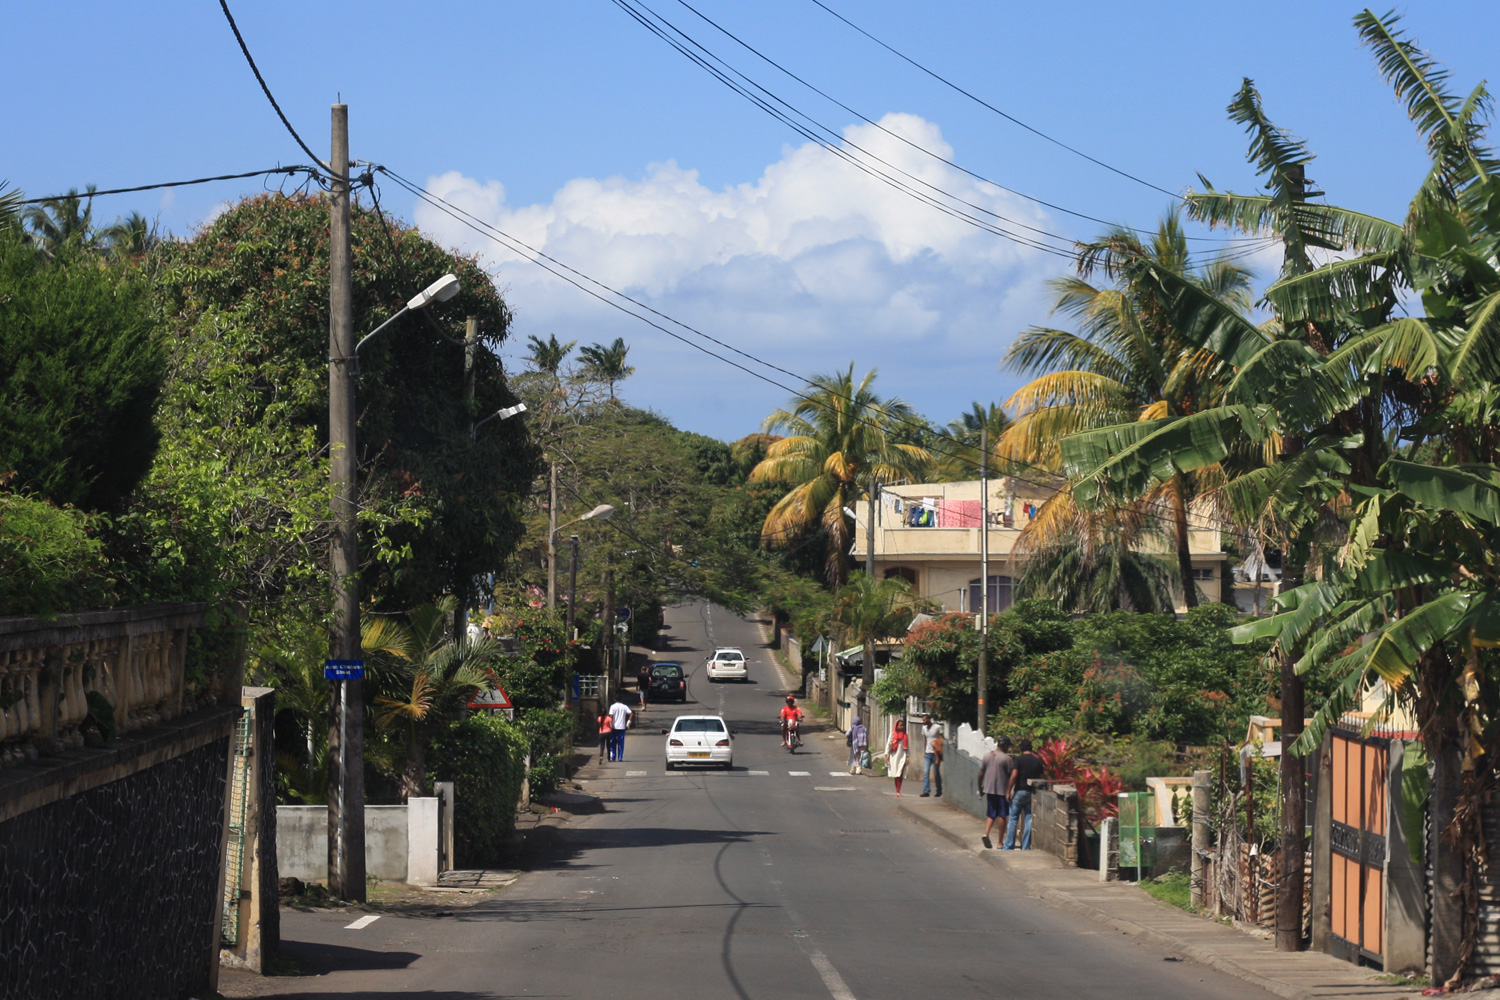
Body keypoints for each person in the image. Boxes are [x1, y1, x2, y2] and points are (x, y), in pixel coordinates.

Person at [1004, 739, 1045, 850]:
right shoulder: (1037, 761)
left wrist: (1008, 791)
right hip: (1032, 793)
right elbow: (1042, 778)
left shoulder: (1019, 760)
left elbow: (1013, 776)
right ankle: (1026, 846)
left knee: (1013, 819)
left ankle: (1009, 845)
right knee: (1029, 819)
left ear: (1022, 749)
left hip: (1020, 792)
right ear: (1031, 748)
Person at [977, 736, 1015, 849]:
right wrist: (1010, 791)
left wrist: (980, 789)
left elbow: (980, 774)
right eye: (1008, 746)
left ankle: (986, 834)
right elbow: (1011, 776)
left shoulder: (987, 756)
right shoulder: (1007, 759)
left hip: (989, 790)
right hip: (1002, 791)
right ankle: (999, 842)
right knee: (1002, 816)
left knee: (991, 814)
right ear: (1005, 746)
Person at [919, 714, 944, 797]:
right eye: (923, 720)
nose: (923, 722)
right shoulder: (924, 728)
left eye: (925, 720)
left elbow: (942, 738)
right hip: (928, 753)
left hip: (936, 753)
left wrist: (940, 750)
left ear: (929, 719)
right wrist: (924, 751)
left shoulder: (937, 727)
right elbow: (925, 740)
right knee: (926, 772)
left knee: (936, 773)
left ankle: (939, 790)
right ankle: (926, 791)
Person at [887, 718, 910, 796]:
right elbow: (888, 745)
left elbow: (907, 747)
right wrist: (886, 755)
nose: (902, 727)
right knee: (895, 774)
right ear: (896, 726)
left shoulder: (905, 736)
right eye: (900, 725)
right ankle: (897, 790)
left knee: (900, 774)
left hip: (902, 756)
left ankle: (898, 791)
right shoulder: (892, 734)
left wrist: (908, 756)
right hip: (893, 757)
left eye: (903, 725)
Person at [606, 696, 634, 762]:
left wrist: (610, 724)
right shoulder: (624, 706)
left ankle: (613, 756)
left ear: (615, 699)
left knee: (613, 742)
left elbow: (611, 716)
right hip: (622, 727)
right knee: (621, 743)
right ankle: (620, 757)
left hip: (614, 727)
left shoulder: (612, 706)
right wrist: (628, 721)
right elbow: (631, 713)